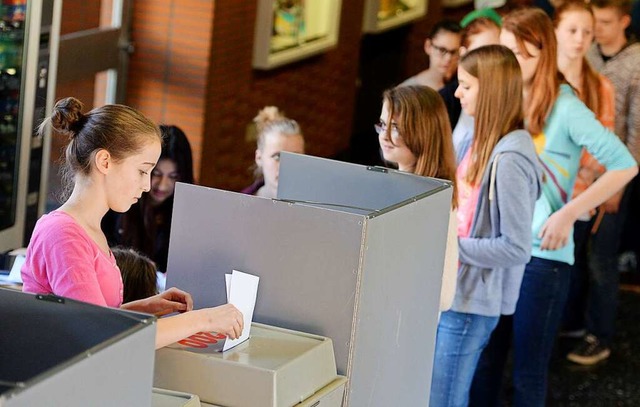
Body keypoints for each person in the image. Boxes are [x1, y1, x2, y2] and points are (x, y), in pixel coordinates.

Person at [470, 8, 638, 406]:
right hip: (499, 247)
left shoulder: (566, 106)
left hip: (542, 256)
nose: (509, 63)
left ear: (542, 52)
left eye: (519, 54)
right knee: (487, 362)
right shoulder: (506, 98)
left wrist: (568, 214)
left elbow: (625, 164)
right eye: (505, 52)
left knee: (528, 372)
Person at [21, 97, 244, 349]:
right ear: (104, 162)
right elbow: (100, 336)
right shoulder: (63, 233)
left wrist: (144, 308)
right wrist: (205, 319)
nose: (148, 185)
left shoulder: (88, 230)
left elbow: (93, 316)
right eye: (143, 171)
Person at [429, 45, 542, 407]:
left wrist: (450, 249)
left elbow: (516, 246)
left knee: (443, 401)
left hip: (471, 305)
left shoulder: (510, 158)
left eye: (466, 85)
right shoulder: (476, 139)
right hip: (455, 294)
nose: (457, 92)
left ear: (490, 90)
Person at [565, 0, 640, 365]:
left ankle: (601, 335)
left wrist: (618, 186)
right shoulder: (590, 54)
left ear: (625, 21)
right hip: (581, 174)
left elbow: (636, 130)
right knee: (579, 253)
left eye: (605, 23)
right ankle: (576, 323)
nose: (597, 31)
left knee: (602, 258)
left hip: (616, 174)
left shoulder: (636, 61)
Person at [552, 0, 615, 345]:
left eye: (586, 32)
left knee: (570, 267)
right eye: (572, 30)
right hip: (536, 192)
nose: (579, 39)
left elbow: (602, 147)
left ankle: (566, 330)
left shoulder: (599, 86)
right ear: (555, 32)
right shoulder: (541, 78)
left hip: (577, 194)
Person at [376, 85, 458, 313]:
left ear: (423, 131)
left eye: (395, 128)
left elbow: (443, 296)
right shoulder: (390, 185)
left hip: (409, 325)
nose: (384, 136)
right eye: (383, 125)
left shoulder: (436, 200)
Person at [103, 125, 194, 273]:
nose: (162, 186)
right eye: (156, 174)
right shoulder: (119, 202)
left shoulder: (187, 215)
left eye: (173, 177)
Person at [440, 9, 503, 163]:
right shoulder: (446, 100)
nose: (491, 60)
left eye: (497, 50)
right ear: (463, 54)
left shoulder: (512, 98)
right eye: (482, 52)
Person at [241, 106, 305, 199]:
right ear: (259, 158)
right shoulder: (237, 206)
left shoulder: (321, 207)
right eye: (277, 157)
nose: (286, 167)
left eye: (295, 157)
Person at [400, 20, 462, 91]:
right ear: (428, 46)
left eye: (454, 52)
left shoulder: (462, 87)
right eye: (442, 50)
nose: (448, 58)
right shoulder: (407, 91)